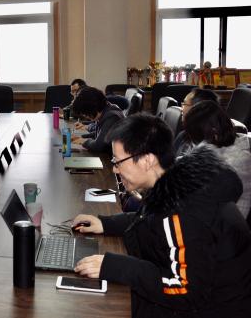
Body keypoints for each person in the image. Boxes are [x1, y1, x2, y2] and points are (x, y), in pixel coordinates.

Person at [73, 114, 251, 317]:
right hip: (198, 296)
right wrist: (106, 223)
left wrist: (115, 266)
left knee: (97, 306)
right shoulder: (173, 182)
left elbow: (185, 290)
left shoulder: (184, 212)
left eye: (118, 161)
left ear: (147, 160)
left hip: (209, 308)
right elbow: (148, 219)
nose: (114, 168)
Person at [184, 100, 251, 219]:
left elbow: (205, 201)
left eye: (196, 138)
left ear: (213, 132)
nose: (194, 144)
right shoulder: (218, 145)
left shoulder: (236, 160)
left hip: (226, 224)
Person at [71, 87, 124, 153]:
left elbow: (98, 146)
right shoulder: (107, 110)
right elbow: (101, 134)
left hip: (110, 157)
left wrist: (83, 141)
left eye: (85, 112)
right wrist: (80, 137)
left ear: (91, 107)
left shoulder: (112, 117)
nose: (85, 116)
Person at [173, 88, 219, 155]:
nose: (182, 109)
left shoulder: (212, 145)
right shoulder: (184, 135)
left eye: (185, 104)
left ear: (197, 108)